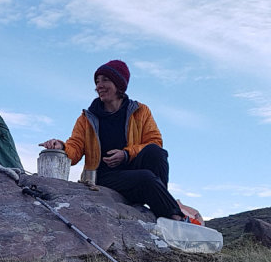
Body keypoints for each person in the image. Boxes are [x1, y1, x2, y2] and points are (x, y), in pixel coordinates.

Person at [39, 59, 186, 221]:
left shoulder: (140, 111)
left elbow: (155, 141)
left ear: (119, 85)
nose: (99, 86)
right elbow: (75, 149)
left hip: (133, 168)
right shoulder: (87, 118)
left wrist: (126, 155)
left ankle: (162, 209)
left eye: (105, 80)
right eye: (97, 81)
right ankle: (174, 218)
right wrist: (61, 146)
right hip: (104, 177)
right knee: (146, 177)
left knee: (155, 152)